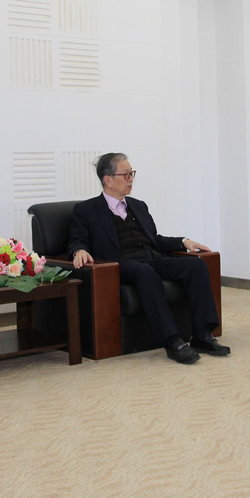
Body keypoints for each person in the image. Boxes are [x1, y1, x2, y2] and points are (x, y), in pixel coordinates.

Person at [67, 153, 228, 364]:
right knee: (144, 272)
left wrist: (183, 241)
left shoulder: (138, 206)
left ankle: (202, 335)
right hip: (120, 264)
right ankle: (172, 341)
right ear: (108, 179)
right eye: (125, 175)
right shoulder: (87, 210)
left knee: (195, 265)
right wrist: (79, 250)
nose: (130, 179)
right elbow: (77, 240)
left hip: (151, 258)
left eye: (132, 174)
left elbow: (154, 239)